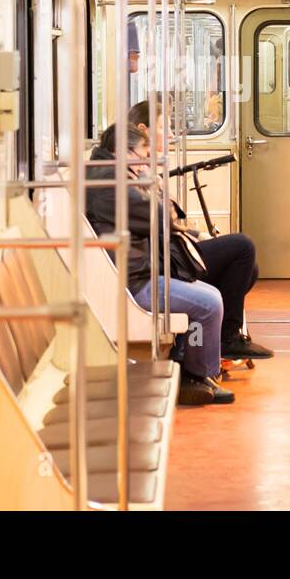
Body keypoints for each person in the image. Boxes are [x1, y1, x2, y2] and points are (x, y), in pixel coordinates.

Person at [85, 123, 234, 405]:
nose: (145, 161)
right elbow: (163, 216)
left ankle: (194, 370)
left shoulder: (111, 175)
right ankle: (196, 376)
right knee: (208, 304)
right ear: (121, 152)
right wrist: (153, 184)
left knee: (209, 295)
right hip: (131, 283)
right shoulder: (111, 184)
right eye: (142, 153)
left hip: (134, 271)